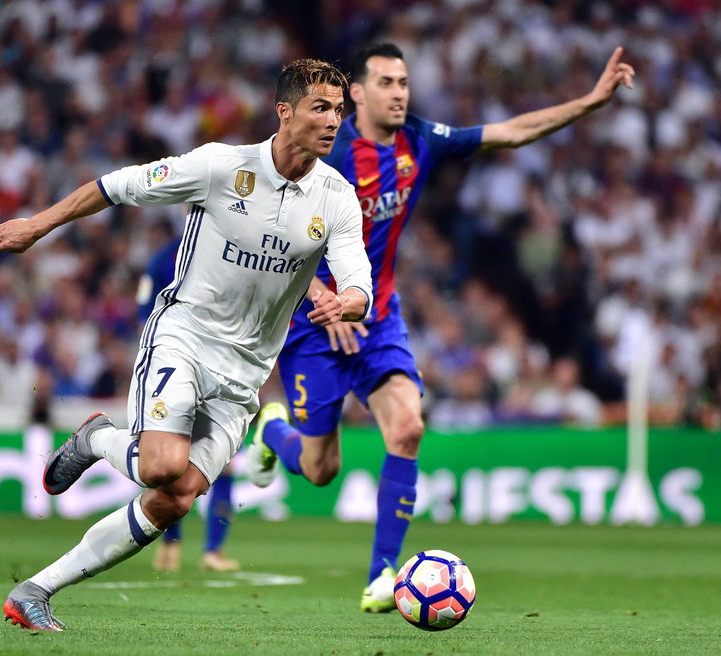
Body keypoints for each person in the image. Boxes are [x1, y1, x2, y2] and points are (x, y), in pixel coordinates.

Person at [0, 58, 373, 631]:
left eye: (339, 110)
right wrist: (37, 226)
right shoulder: (219, 166)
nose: (333, 120)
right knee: (161, 466)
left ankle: (35, 591)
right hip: (184, 337)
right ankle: (101, 440)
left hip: (245, 374)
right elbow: (113, 187)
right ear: (284, 112)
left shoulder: (336, 197)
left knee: (177, 496)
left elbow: (356, 276)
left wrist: (350, 301)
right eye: (320, 107)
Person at [247, 43, 635, 613]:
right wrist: (324, 295)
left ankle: (383, 575)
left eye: (403, 81)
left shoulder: (420, 140)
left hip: (377, 317)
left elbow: (511, 132)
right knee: (319, 469)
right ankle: (272, 432)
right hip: (313, 322)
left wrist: (592, 101)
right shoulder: (325, 154)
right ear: (356, 93)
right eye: (385, 82)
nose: (399, 91)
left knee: (407, 426)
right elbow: (272, 229)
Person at [136, 236, 240, 572]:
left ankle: (196, 550)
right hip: (181, 364)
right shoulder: (165, 258)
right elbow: (144, 311)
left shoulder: (229, 245)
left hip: (216, 365)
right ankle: (180, 546)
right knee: (176, 460)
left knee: (216, 463)